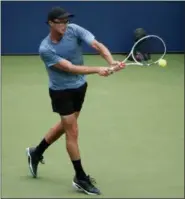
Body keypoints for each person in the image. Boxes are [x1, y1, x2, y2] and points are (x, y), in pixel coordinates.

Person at [26, 6, 125, 195]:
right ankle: (80, 177)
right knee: (72, 130)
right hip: (61, 92)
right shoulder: (45, 49)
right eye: (60, 22)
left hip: (80, 87)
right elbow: (69, 67)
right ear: (50, 24)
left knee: (66, 126)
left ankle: (36, 152)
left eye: (66, 21)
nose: (64, 25)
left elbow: (96, 45)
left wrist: (110, 62)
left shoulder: (74, 30)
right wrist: (98, 70)